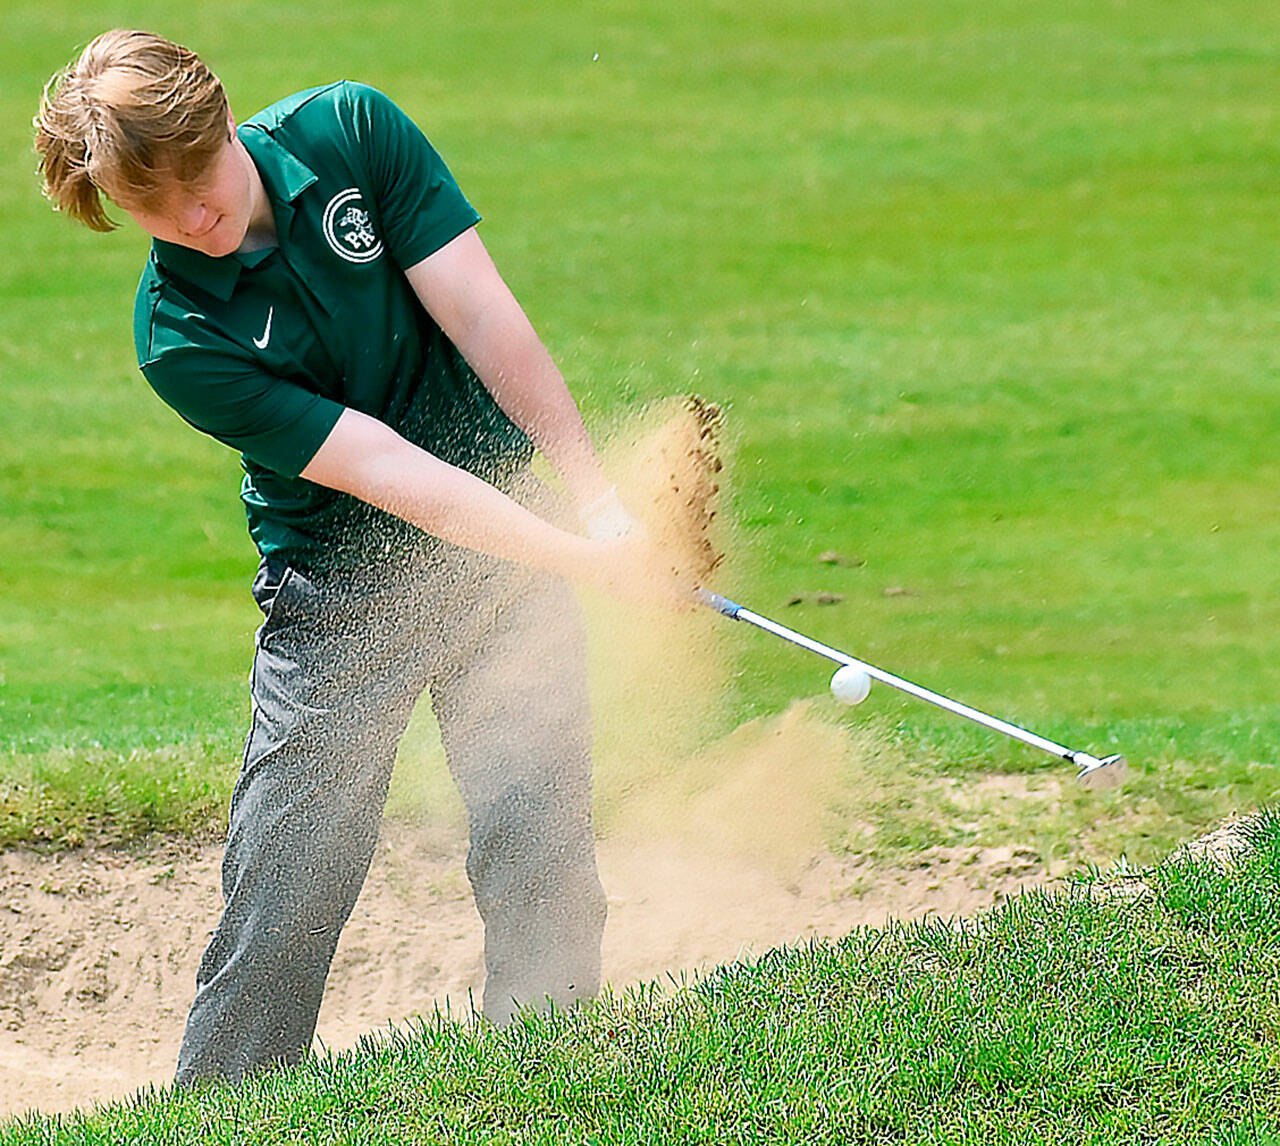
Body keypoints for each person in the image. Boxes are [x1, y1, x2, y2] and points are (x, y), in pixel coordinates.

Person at [34, 29, 677, 1088]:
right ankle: (221, 1112)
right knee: (290, 880)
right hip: (337, 593)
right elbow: (381, 469)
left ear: (222, 116)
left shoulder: (352, 131)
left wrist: (597, 504)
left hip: (507, 544)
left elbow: (481, 314)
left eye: (201, 181)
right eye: (157, 211)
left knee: (539, 842)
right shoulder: (179, 337)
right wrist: (571, 551)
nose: (194, 219)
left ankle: (542, 1085)